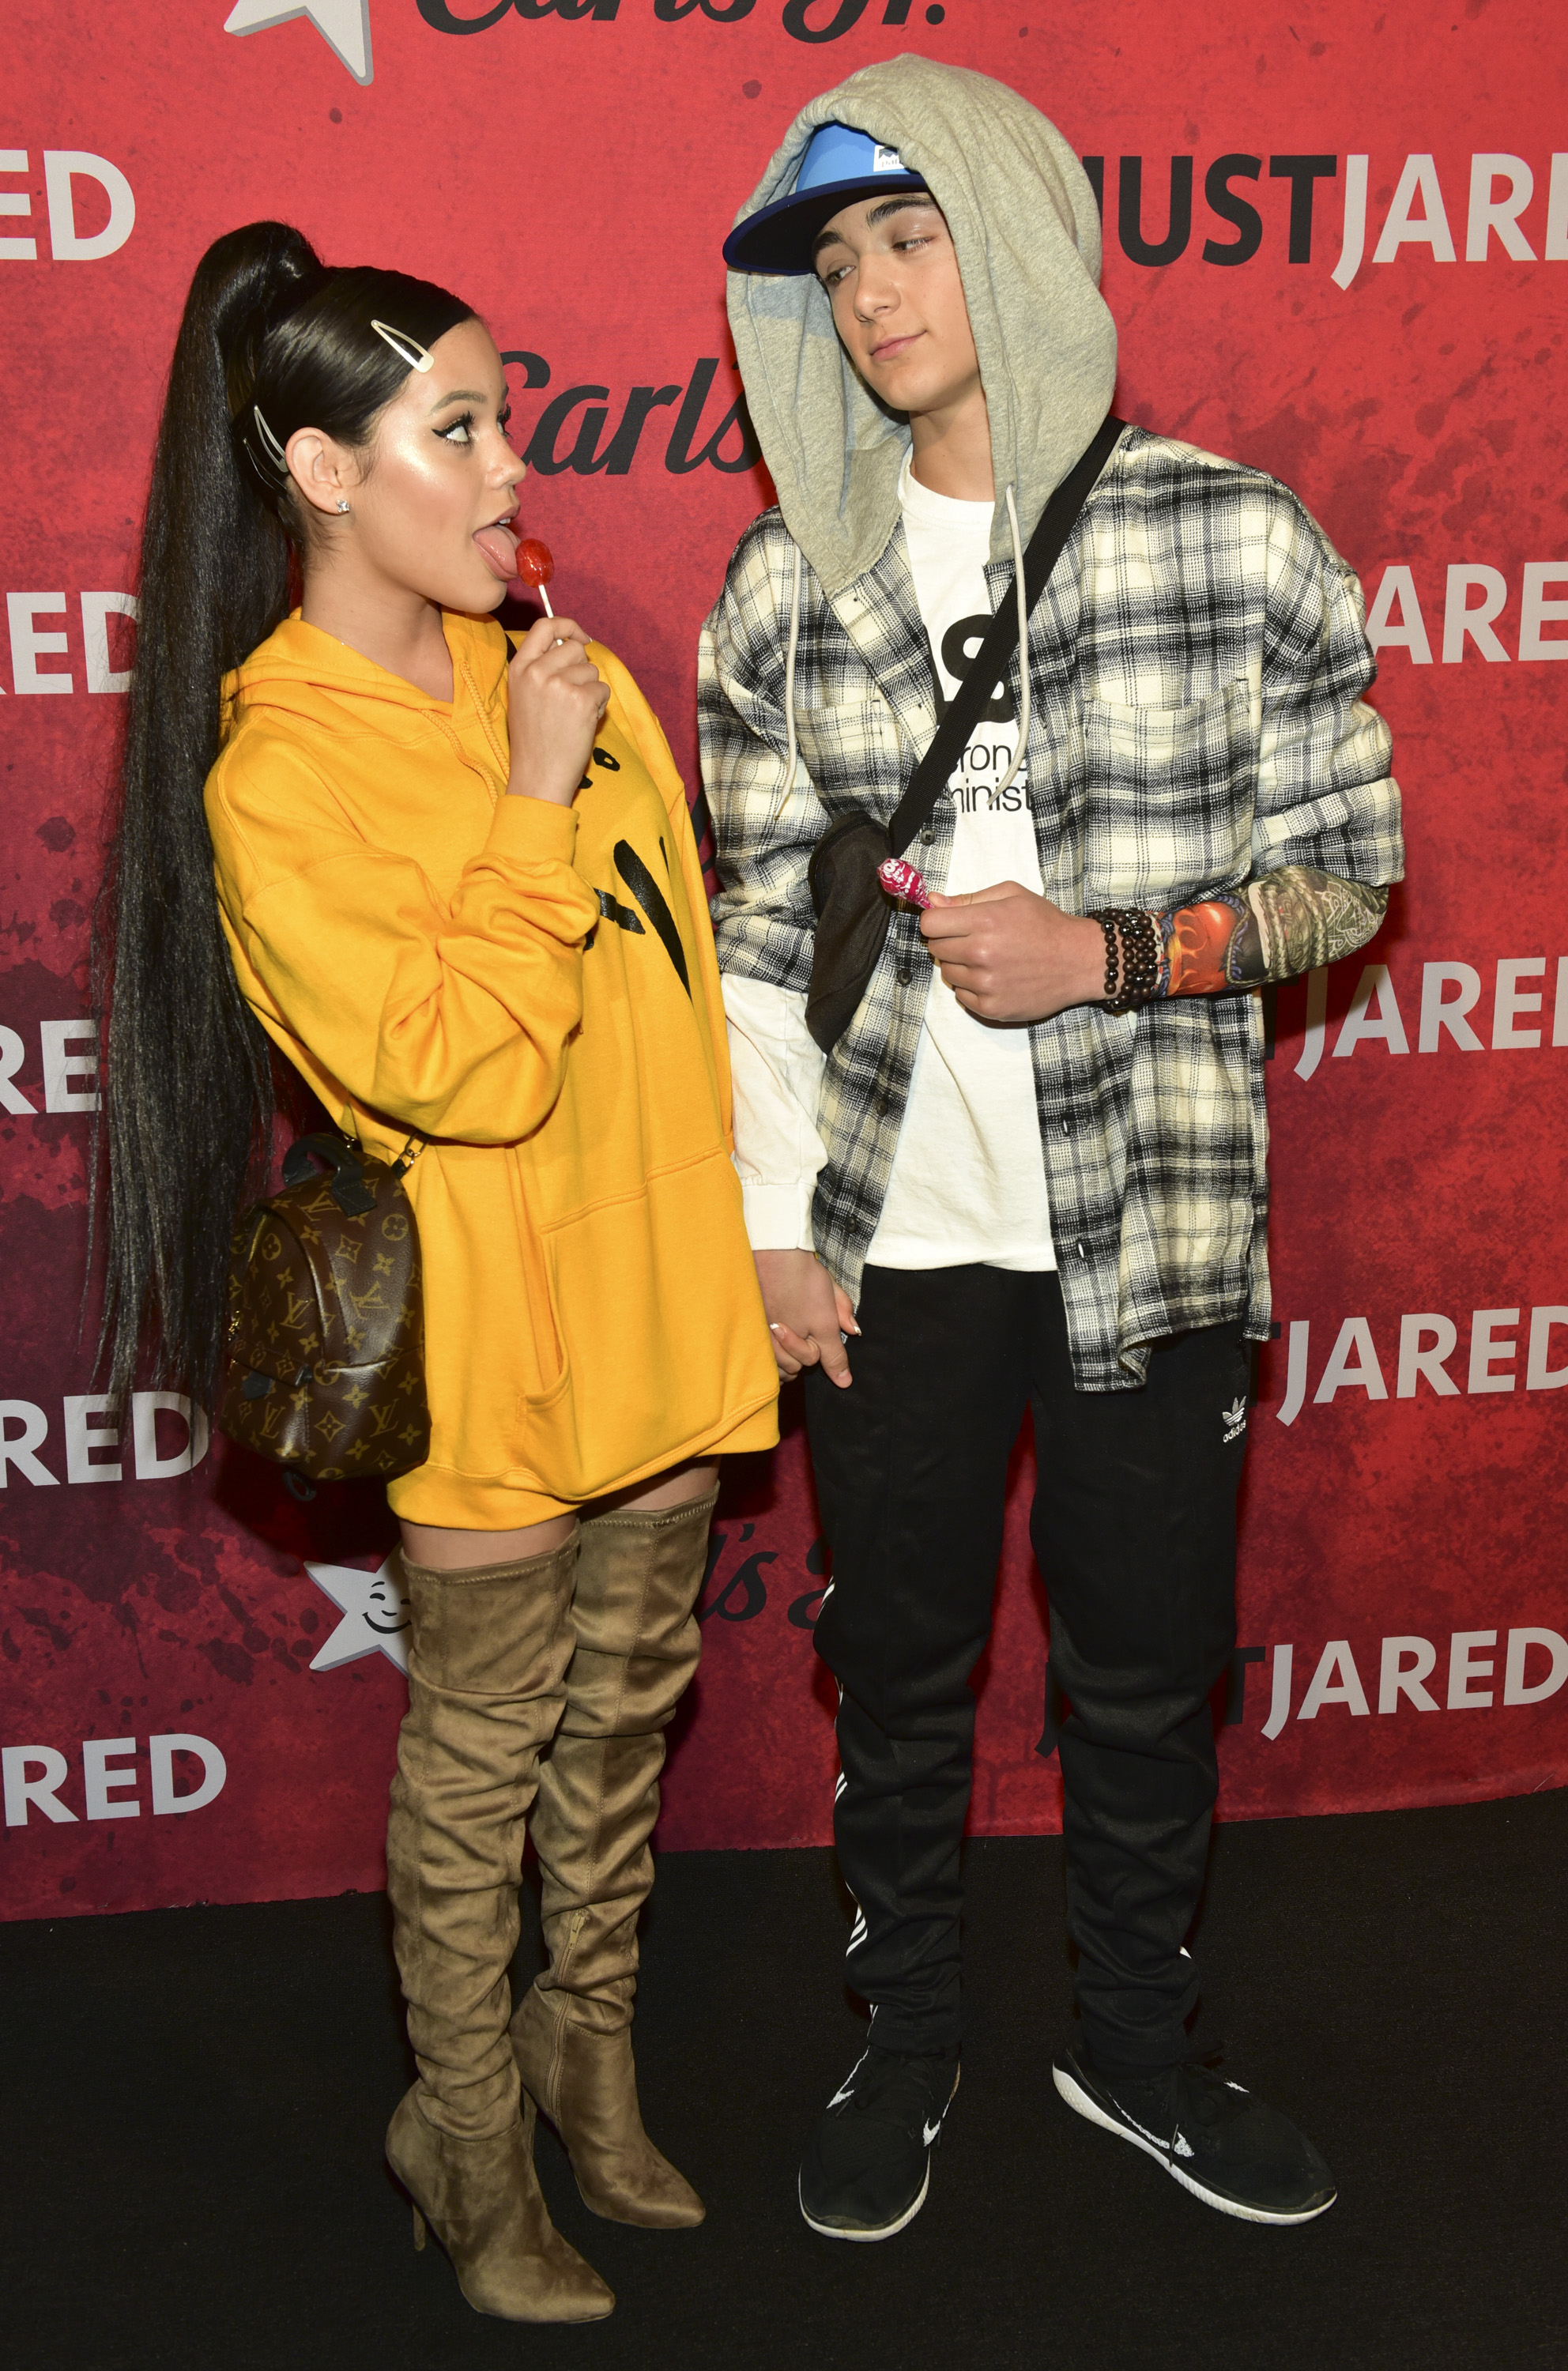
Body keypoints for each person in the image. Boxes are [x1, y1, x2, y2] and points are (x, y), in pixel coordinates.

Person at [702, 58, 1401, 2240]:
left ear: (1010, 233)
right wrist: (768, 1233)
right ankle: (905, 2039)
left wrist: (1113, 949)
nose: (874, 294)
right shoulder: (780, 587)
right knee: (894, 1672)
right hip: (885, 1244)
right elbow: (743, 944)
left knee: (1140, 1672)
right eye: (833, 264)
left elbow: (1350, 878)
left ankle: (1137, 2053)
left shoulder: (1234, 532)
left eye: (909, 238)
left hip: (1153, 1230)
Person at [97, 221, 778, 2321]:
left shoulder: (542, 668)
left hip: (664, 1295)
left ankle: (593, 2069)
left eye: (506, 423)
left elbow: (688, 996)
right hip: (488, 1343)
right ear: (318, 470)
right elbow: (462, 1075)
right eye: (455, 431)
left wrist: (770, 1242)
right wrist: (529, 803)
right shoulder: (276, 765)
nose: (508, 473)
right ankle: (464, 2149)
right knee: (481, 1769)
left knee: (624, 1723)